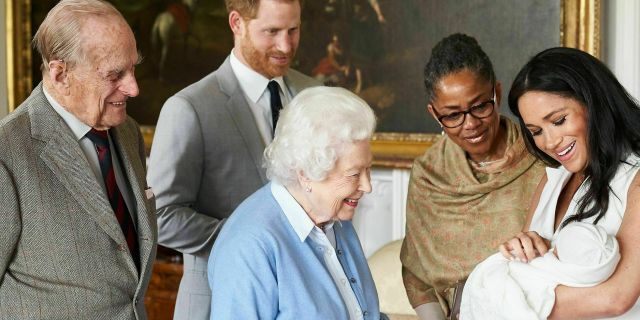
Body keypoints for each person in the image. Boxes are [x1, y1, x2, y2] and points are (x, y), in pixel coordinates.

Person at [146, 0, 319, 319]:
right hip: (218, 301)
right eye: (272, 31)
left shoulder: (314, 93)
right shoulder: (189, 108)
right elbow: (160, 216)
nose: (285, 45)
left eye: (293, 30)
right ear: (236, 23)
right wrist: (252, 241)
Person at [0, 0, 156, 319]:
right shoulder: (7, 152)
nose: (133, 88)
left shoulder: (127, 133)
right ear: (60, 74)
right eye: (115, 75)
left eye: (133, 68)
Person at [399, 33, 545, 320]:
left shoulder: (541, 157)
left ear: (497, 94)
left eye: (480, 106)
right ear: (434, 114)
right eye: (453, 115)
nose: (471, 125)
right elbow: (417, 274)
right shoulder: (428, 176)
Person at [208, 86, 386, 320]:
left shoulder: (335, 218)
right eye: (354, 174)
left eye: (368, 169)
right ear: (306, 173)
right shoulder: (249, 246)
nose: (367, 186)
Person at [502, 46, 640, 318]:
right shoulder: (552, 178)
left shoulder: (635, 177)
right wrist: (523, 247)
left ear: (594, 102)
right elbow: (527, 270)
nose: (550, 142)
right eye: (536, 132)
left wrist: (506, 297)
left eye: (559, 120)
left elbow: (617, 297)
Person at [462, 222, 620, 319]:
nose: (552, 251)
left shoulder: (550, 279)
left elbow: (615, 302)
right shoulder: (551, 179)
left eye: (556, 251)